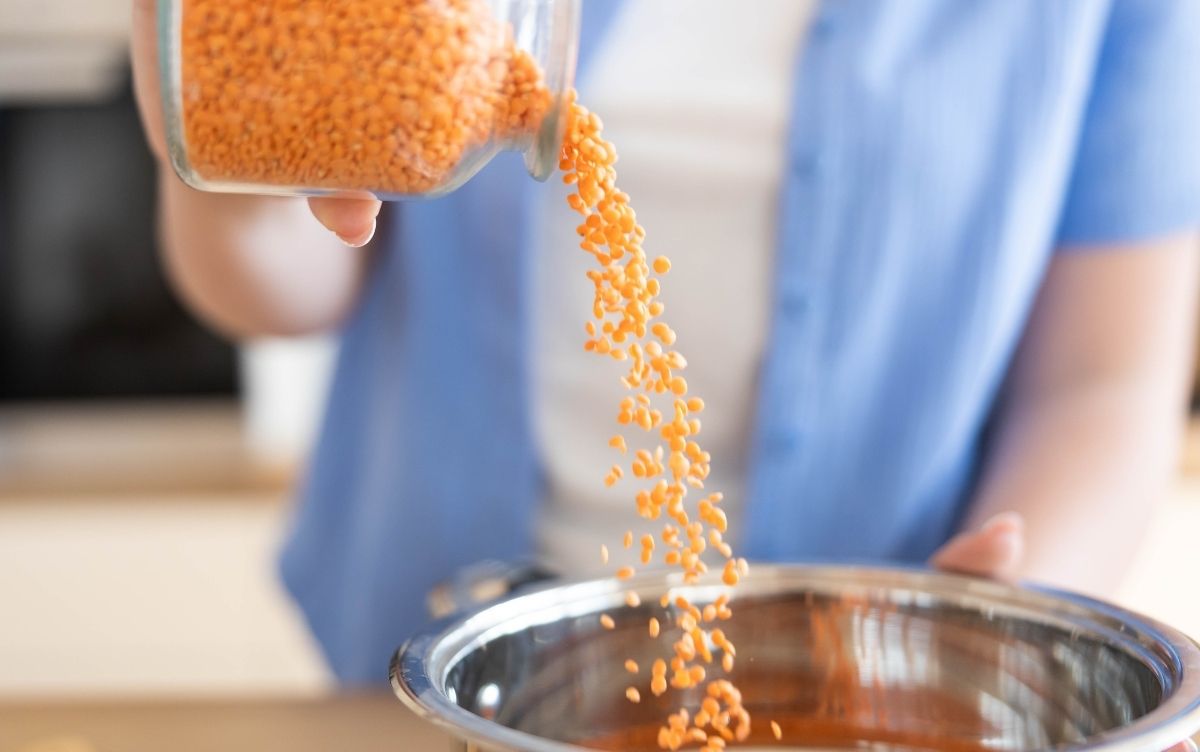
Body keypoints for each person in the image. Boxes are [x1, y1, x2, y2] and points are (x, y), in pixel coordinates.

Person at [132, 0, 1200, 684]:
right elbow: (281, 287)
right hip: (442, 657)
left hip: (866, 677)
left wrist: (988, 640)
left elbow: (1104, 377)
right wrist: (224, 101)